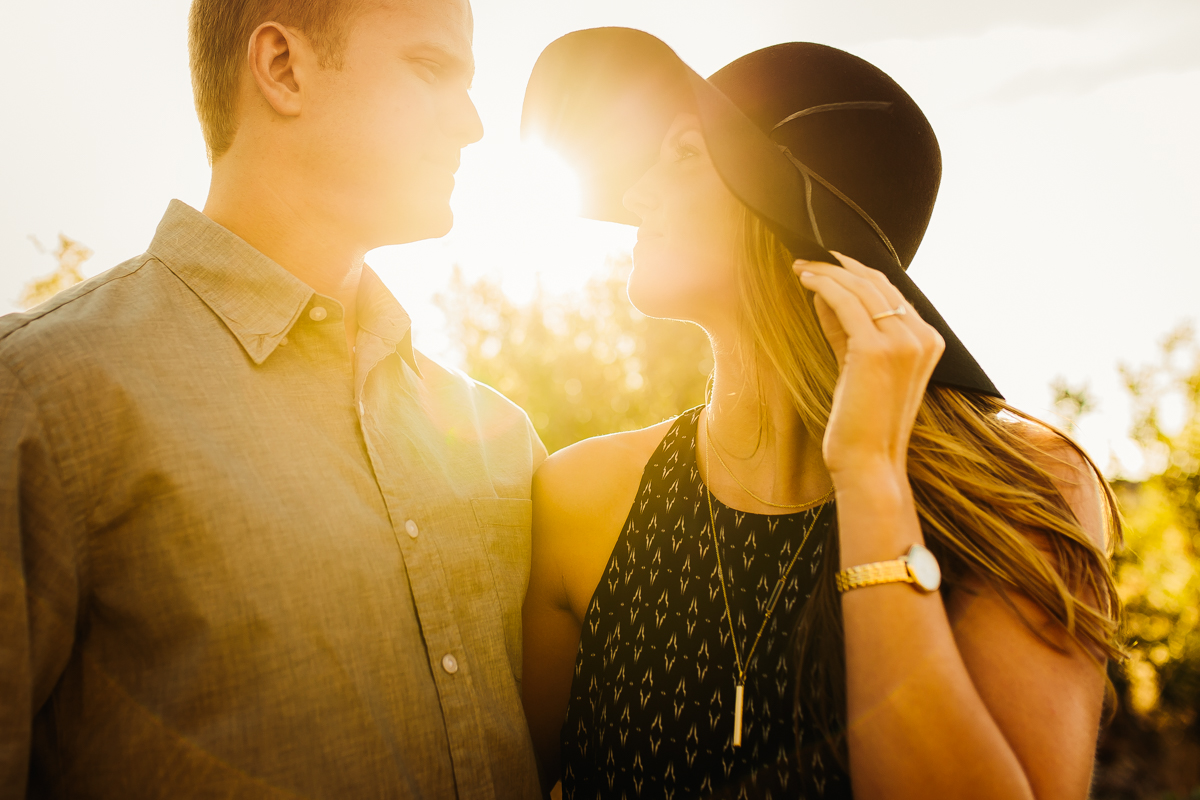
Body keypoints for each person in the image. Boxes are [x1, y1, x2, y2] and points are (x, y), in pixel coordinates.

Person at [520, 28, 1122, 800]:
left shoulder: (1018, 494)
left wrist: (872, 479)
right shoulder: (582, 497)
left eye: (682, 154)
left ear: (780, 206)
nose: (635, 192)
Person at [0, 1, 544, 796]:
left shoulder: (496, 435)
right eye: (431, 69)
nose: (472, 124)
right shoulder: (41, 393)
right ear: (283, 67)